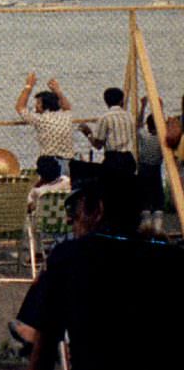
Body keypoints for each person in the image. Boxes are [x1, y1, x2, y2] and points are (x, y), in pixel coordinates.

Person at [24, 172, 182, 369]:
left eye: (74, 210)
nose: (69, 220)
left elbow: (44, 348)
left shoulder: (69, 258)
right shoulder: (171, 258)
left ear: (98, 209)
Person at [14, 74, 75, 172]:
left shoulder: (40, 119)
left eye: (38, 103)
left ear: (45, 105)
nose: (36, 106)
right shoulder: (66, 116)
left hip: (50, 163)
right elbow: (67, 107)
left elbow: (20, 107)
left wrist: (28, 86)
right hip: (69, 161)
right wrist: (58, 91)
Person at [80, 87, 136, 172]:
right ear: (121, 101)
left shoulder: (105, 118)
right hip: (129, 158)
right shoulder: (130, 116)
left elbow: (98, 145)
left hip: (113, 159)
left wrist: (88, 134)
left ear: (106, 101)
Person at [135, 97, 164, 211]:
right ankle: (157, 214)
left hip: (144, 168)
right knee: (157, 195)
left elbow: (138, 124)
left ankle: (146, 215)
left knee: (144, 195)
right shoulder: (161, 138)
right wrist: (160, 108)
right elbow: (162, 122)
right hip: (156, 168)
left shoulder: (144, 136)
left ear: (147, 125)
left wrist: (142, 106)